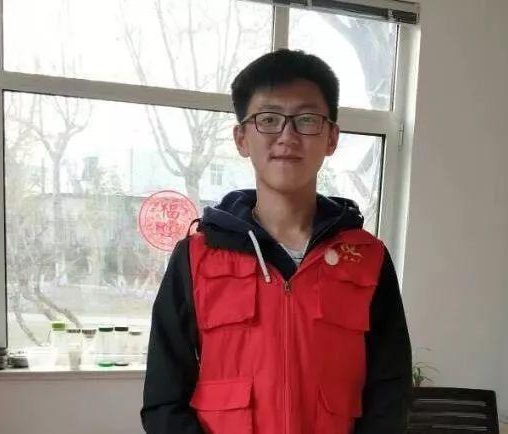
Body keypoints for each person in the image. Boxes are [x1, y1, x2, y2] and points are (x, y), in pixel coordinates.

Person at [141, 49, 412, 434]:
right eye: (268, 119)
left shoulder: (367, 258)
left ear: (332, 138)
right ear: (242, 138)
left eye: (307, 120)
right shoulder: (197, 257)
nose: (287, 136)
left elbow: (390, 391)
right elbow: (164, 399)